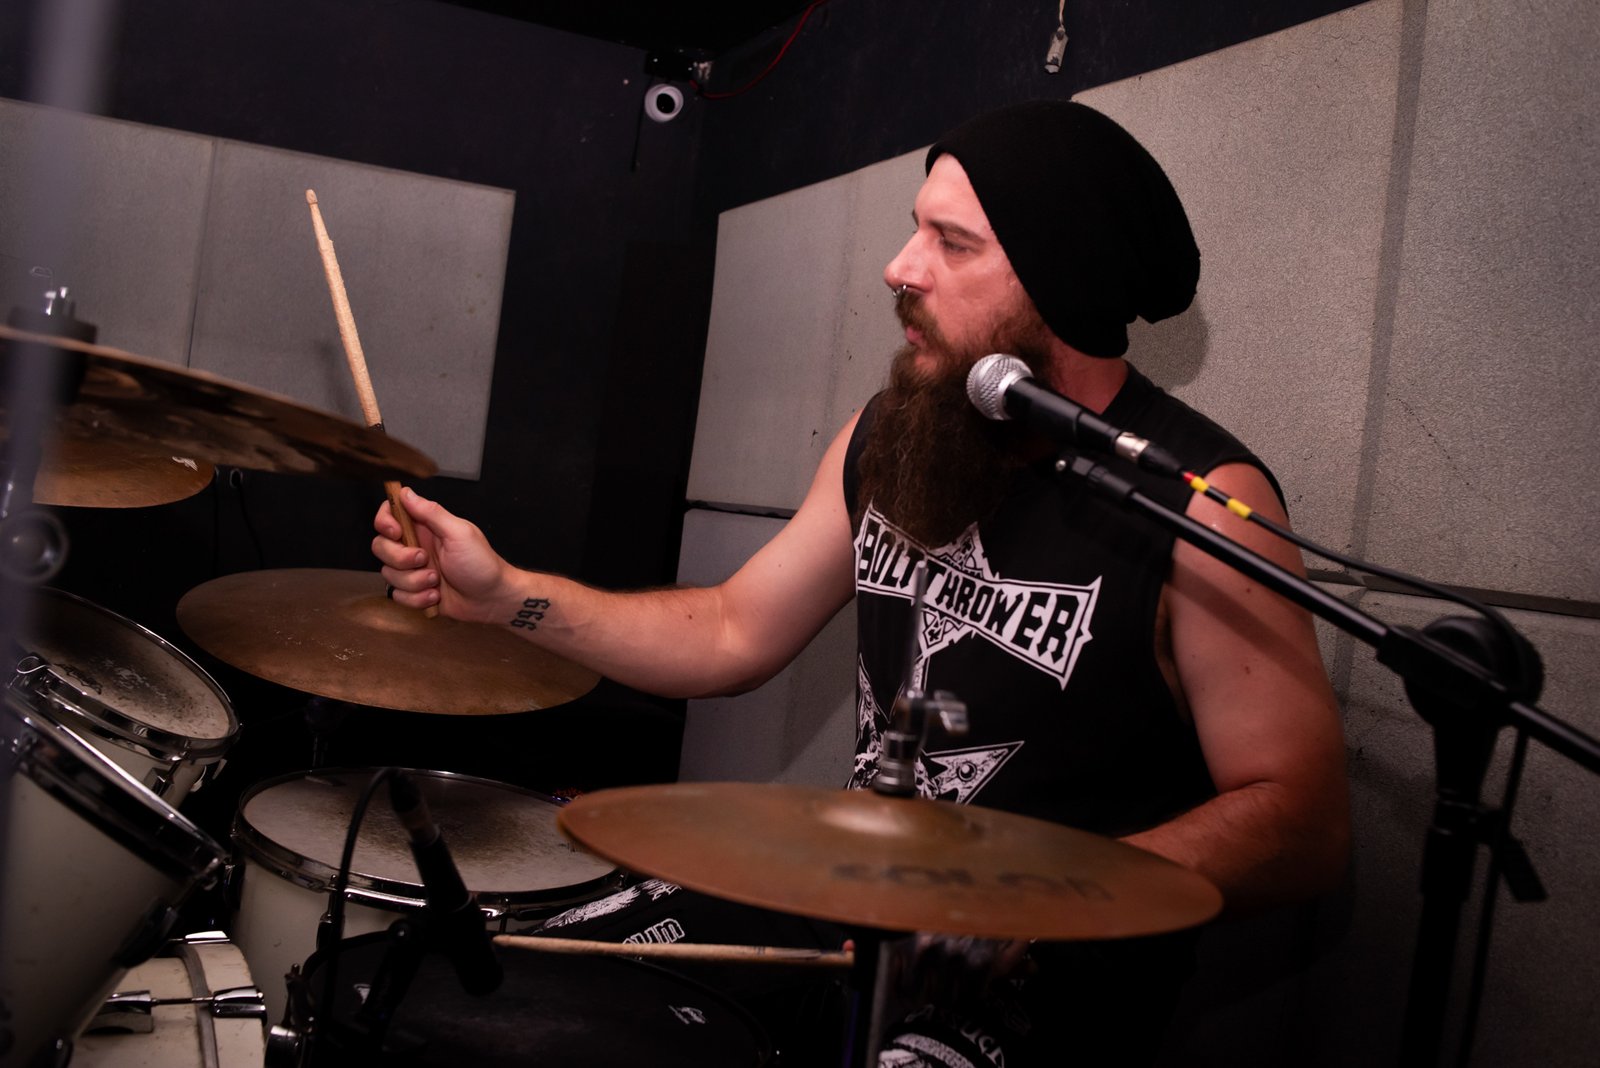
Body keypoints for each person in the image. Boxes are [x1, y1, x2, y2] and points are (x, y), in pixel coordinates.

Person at [374, 100, 1349, 1065]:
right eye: (916, 229)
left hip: (1037, 986)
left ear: (1061, 280)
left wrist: (1041, 901)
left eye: (951, 244)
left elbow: (1301, 820)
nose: (900, 267)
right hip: (851, 903)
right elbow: (729, 630)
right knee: (515, 991)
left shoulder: (1204, 505)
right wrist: (505, 596)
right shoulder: (894, 434)